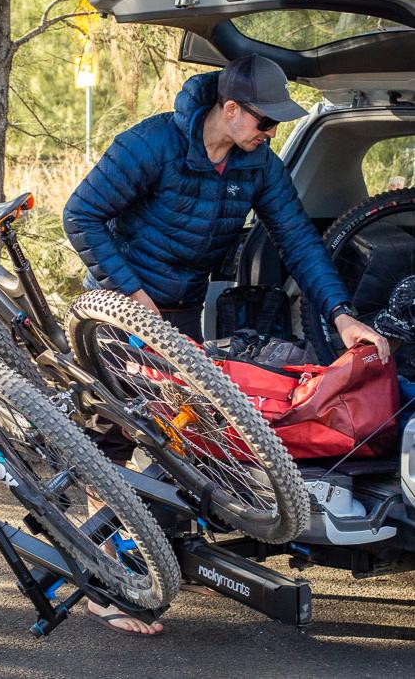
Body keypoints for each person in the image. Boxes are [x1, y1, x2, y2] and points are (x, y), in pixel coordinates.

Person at [63, 53, 390, 636]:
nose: (272, 133)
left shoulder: (255, 163)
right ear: (230, 108)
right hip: (117, 305)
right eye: (265, 122)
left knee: (179, 429)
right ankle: (104, 580)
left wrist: (342, 316)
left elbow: (297, 239)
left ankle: (162, 548)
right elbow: (81, 215)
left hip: (180, 310)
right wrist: (131, 292)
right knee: (113, 434)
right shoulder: (154, 143)